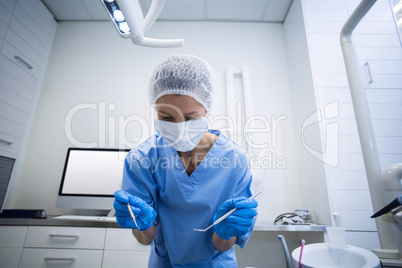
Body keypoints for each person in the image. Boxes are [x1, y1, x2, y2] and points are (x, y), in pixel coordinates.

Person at [113, 54, 258, 267]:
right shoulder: (142, 159)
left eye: (190, 118)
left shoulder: (234, 160)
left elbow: (223, 245)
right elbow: (146, 238)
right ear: (155, 109)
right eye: (167, 117)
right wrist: (140, 224)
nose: (179, 127)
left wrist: (226, 232)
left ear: (207, 109)